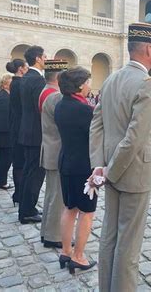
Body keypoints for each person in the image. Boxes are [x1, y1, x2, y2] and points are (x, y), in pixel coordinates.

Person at [89, 22, 151, 291]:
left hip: (109, 169)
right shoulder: (146, 84)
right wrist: (111, 171)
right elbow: (135, 138)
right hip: (132, 173)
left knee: (109, 236)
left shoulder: (110, 80)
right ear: (149, 50)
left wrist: (100, 166)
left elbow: (96, 124)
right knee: (129, 245)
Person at [54, 67, 96, 274]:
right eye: (88, 81)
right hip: (83, 166)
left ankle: (65, 251)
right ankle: (79, 256)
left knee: (69, 208)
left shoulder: (61, 105)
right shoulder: (85, 110)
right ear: (80, 85)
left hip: (66, 162)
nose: (90, 86)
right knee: (87, 212)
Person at [39, 60, 68, 248]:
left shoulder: (45, 92)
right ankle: (53, 235)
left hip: (49, 148)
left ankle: (46, 232)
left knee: (51, 194)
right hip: (56, 149)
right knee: (57, 197)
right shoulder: (55, 96)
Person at [18, 46, 46, 224]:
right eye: (44, 56)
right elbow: (40, 108)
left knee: (29, 171)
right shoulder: (37, 80)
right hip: (36, 132)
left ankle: (27, 207)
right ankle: (27, 210)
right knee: (34, 174)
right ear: (37, 58)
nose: (46, 59)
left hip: (27, 130)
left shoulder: (26, 78)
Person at [7, 58, 29, 205]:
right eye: (26, 67)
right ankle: (20, 194)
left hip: (15, 126)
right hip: (20, 126)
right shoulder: (20, 83)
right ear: (21, 68)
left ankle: (18, 194)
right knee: (20, 163)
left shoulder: (15, 83)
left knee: (18, 163)